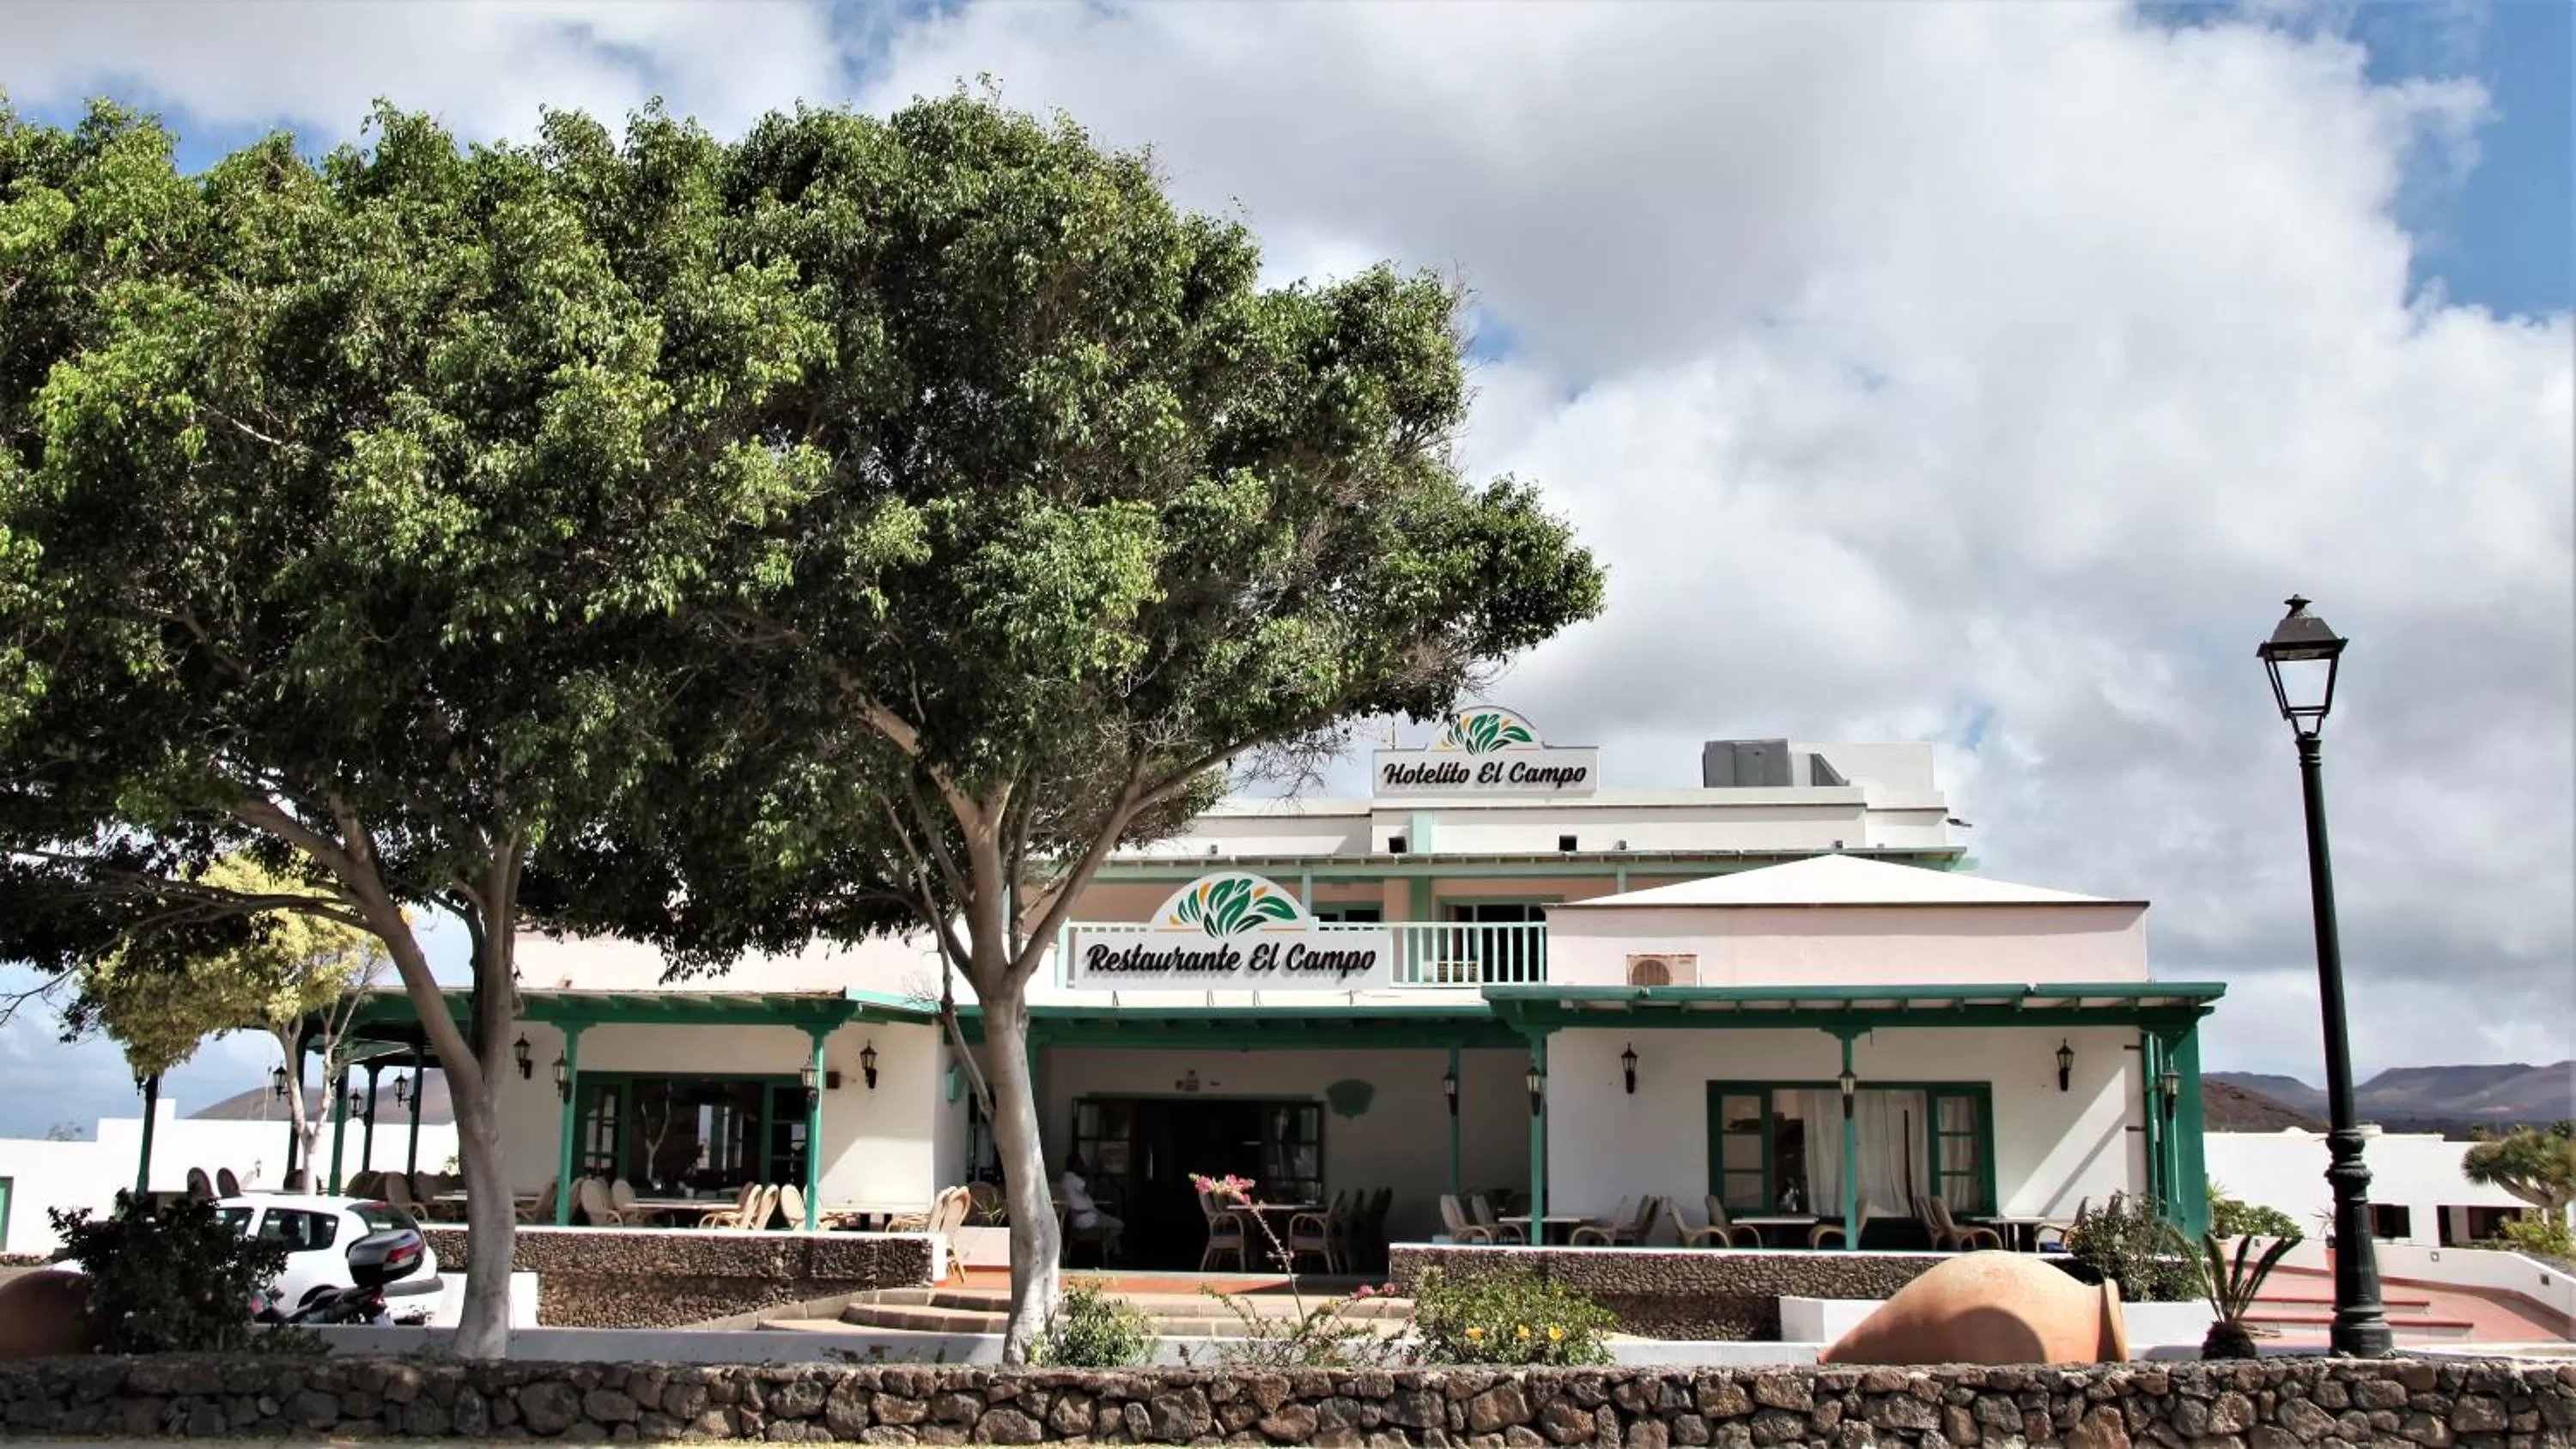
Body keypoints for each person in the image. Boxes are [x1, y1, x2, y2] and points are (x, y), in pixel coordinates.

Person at [1058, 1152, 1124, 1262]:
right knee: (1119, 1225)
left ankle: (1116, 1254)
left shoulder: (1065, 1180)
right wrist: (1088, 1173)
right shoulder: (1073, 1179)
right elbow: (1091, 1189)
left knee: (1109, 1219)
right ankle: (1104, 1251)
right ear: (1075, 1165)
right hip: (1087, 1218)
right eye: (1080, 1163)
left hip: (1082, 1216)